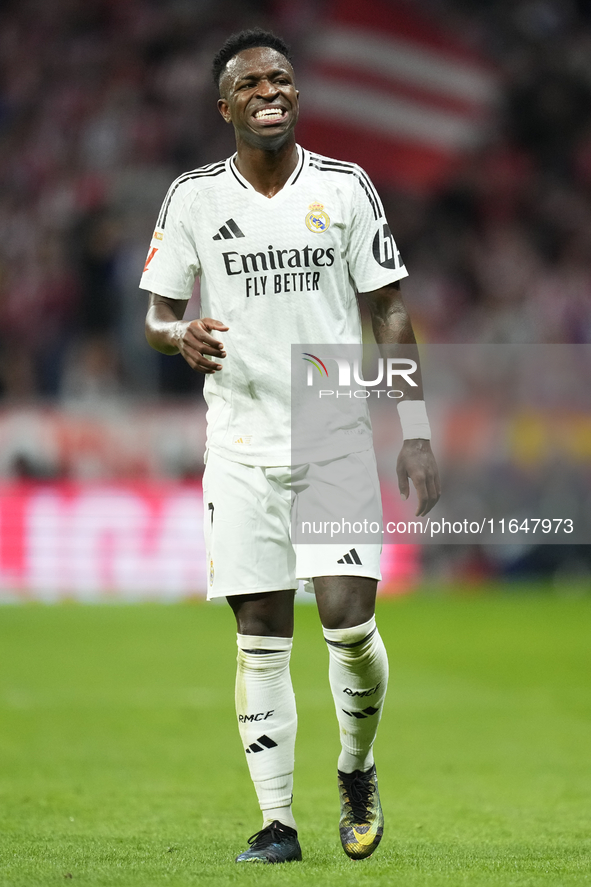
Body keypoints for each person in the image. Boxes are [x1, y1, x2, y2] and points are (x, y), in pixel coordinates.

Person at [142, 28, 440, 864]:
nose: (270, 90)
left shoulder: (345, 188)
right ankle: (277, 823)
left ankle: (356, 768)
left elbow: (388, 309)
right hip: (238, 437)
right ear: (225, 105)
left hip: (331, 427)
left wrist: (414, 430)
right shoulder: (194, 197)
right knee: (260, 633)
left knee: (348, 623)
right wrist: (179, 335)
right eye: (252, 83)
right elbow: (157, 313)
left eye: (281, 78)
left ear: (296, 95)